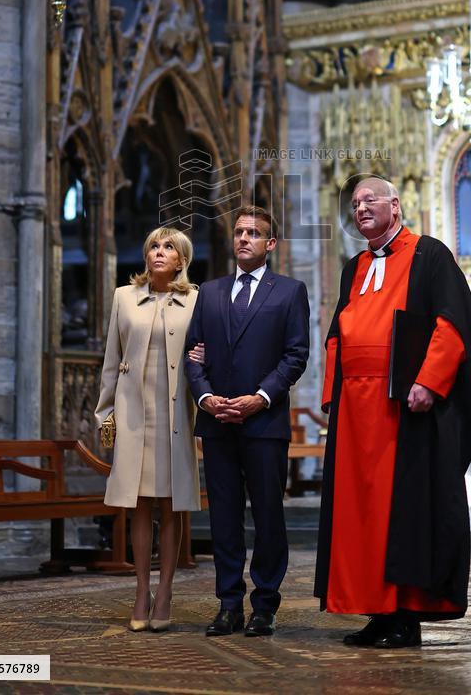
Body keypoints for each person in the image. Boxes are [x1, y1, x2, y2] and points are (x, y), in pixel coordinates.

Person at [314, 177, 471, 648]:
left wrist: (429, 381)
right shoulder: (354, 267)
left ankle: (405, 616)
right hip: (356, 411)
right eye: (354, 204)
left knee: (401, 512)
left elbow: (451, 324)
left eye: (370, 200)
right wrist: (333, 392)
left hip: (403, 409)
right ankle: (376, 611)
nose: (360, 208)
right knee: (361, 513)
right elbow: (336, 334)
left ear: (395, 204)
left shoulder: (430, 255)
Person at [185, 205, 309, 638]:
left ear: (270, 243)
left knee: (269, 516)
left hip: (264, 422)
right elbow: (193, 354)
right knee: (224, 516)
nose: (243, 239)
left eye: (254, 233)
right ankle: (229, 603)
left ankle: (266, 605)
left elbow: (296, 355)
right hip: (218, 422)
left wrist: (259, 398)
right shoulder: (211, 292)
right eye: (239, 232)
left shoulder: (290, 292)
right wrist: (205, 397)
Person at [95, 227, 201, 632]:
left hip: (175, 412)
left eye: (168, 247)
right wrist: (106, 415)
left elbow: (203, 352)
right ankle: (142, 591)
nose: (159, 252)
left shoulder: (196, 300)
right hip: (134, 410)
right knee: (138, 503)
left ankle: (167, 590)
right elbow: (111, 357)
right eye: (153, 246)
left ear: (181, 259)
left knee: (171, 504)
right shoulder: (124, 297)